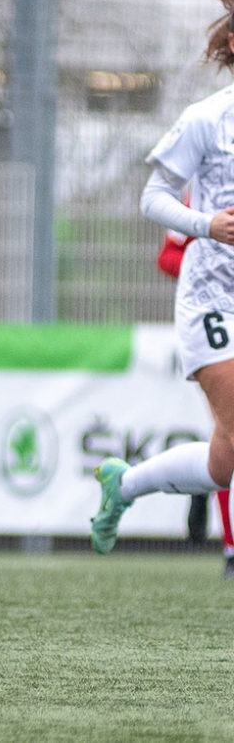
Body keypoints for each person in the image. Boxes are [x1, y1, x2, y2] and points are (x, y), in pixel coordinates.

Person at [92, 0, 234, 557]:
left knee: (224, 463)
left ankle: (123, 484)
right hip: (212, 299)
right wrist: (207, 224)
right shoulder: (207, 118)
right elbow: (153, 196)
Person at [156, 222, 234, 576]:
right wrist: (205, 262)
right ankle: (231, 548)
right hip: (217, 328)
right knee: (229, 434)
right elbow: (167, 256)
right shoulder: (203, 200)